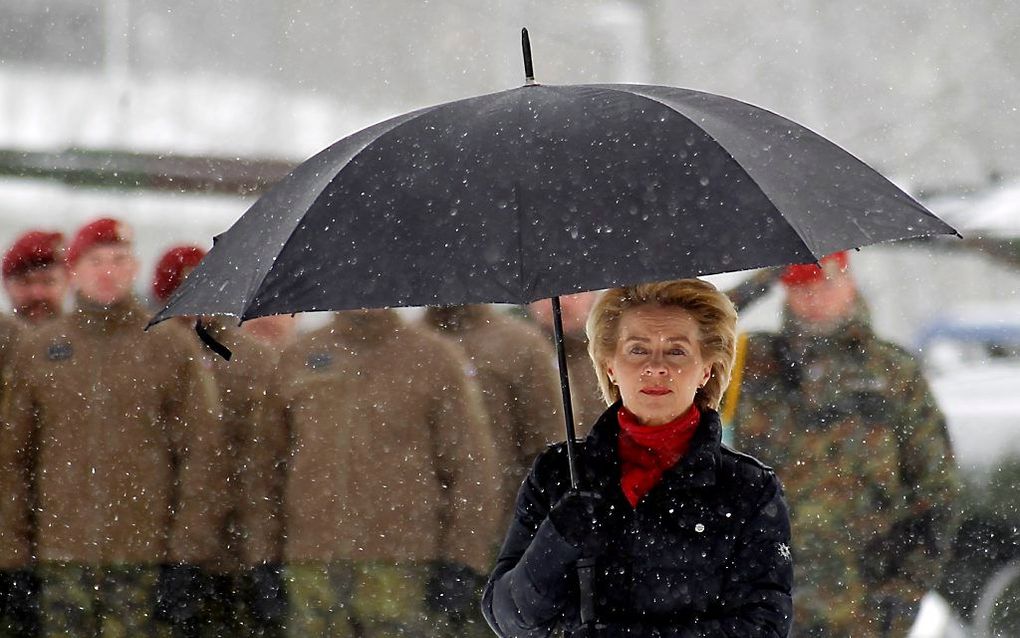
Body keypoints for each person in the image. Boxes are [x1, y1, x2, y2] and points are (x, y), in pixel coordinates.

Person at [484, 279, 794, 637]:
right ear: (610, 365)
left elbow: (764, 626)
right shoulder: (559, 472)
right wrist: (556, 540)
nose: (656, 367)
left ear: (706, 369)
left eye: (676, 351)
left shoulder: (749, 488)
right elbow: (507, 618)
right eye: (637, 349)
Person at [0, 218, 227, 637]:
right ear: (74, 271)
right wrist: (13, 557)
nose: (107, 271)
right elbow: (14, 459)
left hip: (143, 556)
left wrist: (187, 556)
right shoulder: (40, 350)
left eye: (118, 260)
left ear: (134, 268)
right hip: (61, 556)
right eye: (96, 261)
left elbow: (201, 454)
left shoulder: (169, 346)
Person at [728, 252, 959, 637]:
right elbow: (682, 330)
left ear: (850, 283)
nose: (814, 297)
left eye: (825, 283)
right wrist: (763, 278)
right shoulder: (751, 364)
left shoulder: (893, 374)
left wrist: (908, 589)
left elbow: (936, 494)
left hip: (863, 606)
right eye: (800, 286)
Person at [267, 308, 501, 637]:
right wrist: (262, 558)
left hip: (405, 565)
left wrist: (462, 561)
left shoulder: (434, 358)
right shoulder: (299, 356)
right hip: (312, 563)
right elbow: (264, 470)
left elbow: (472, 468)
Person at [152, 245, 287, 637]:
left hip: (238, 544)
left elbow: (269, 456)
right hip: (158, 545)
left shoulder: (256, 360)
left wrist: (264, 552)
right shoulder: (147, 355)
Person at [422, 304, 564, 537]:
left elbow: (548, 446)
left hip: (504, 528)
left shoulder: (520, 345)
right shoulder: (404, 347)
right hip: (419, 539)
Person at [0, 231, 67, 635]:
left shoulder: (87, 354)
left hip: (69, 541)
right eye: (26, 284)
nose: (37, 294)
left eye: (48, 282)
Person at [528, 292, 605, 436]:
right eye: (547, 294)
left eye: (572, 293)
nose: (561, 302)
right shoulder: (520, 360)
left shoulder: (612, 357)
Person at [2, 230, 68, 324]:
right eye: (25, 282)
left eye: (48, 282)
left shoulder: (91, 335)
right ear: (6, 286)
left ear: (67, 282)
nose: (37, 294)